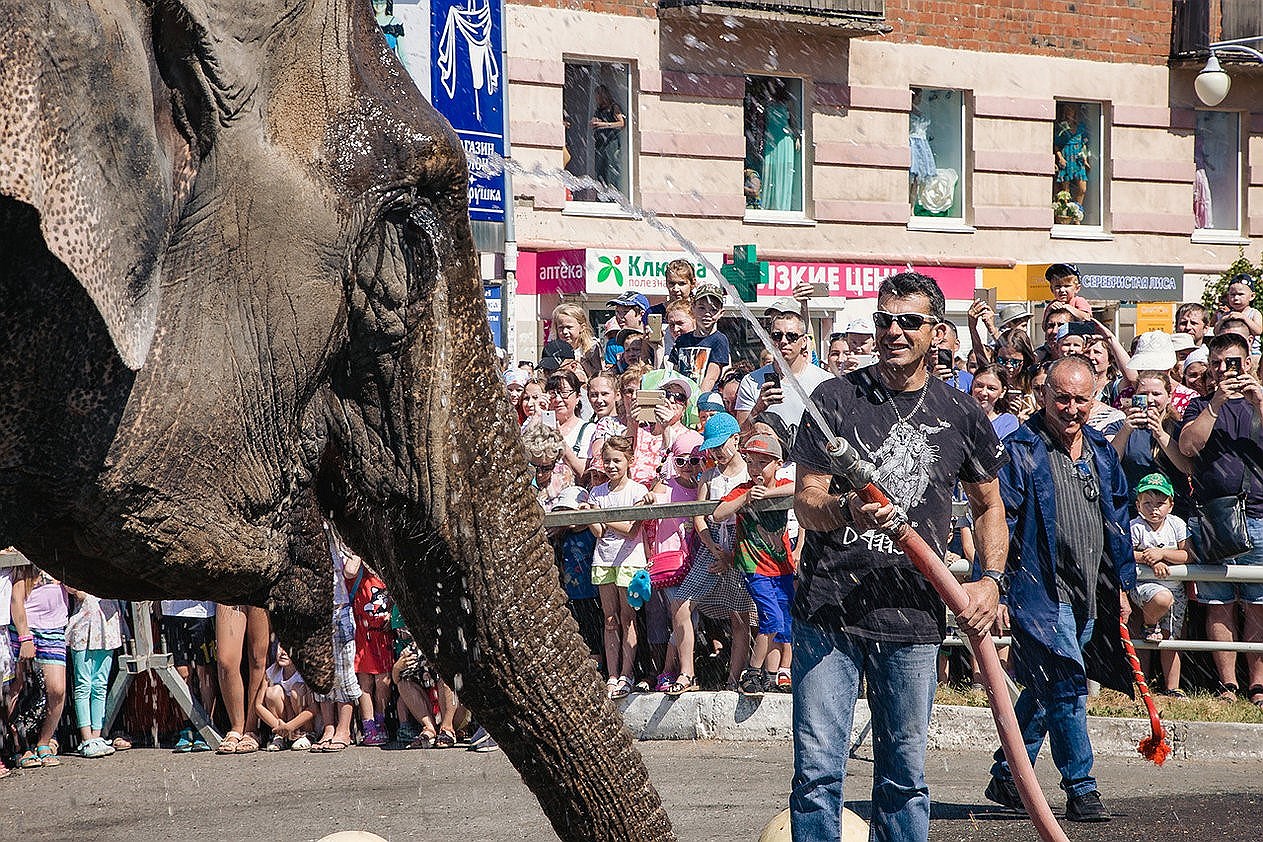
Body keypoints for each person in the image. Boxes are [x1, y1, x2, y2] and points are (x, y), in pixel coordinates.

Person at [788, 271, 1009, 841]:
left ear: (936, 331)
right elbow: (807, 502)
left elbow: (990, 508)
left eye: (909, 321)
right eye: (884, 320)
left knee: (904, 778)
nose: (893, 331)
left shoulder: (960, 413)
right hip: (829, 608)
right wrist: (846, 510)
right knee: (817, 774)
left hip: (913, 613)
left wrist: (989, 581)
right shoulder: (834, 398)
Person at [986, 354, 1136, 824]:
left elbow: (1118, 523)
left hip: (1091, 591)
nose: (1071, 409)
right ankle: (1081, 787)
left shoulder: (1101, 451)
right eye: (1062, 399)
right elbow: (1000, 522)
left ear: (1095, 400)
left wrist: (1123, 588)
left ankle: (1010, 778)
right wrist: (998, 588)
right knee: (1069, 685)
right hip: (1039, 592)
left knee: (1046, 685)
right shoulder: (1019, 449)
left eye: (1081, 400)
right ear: (1042, 395)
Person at [1178, 332, 1263, 706]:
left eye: (1231, 362)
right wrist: (1215, 403)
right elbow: (1188, 447)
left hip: (1259, 516)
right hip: (1216, 518)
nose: (1223, 370)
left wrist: (1257, 398)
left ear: (1247, 363)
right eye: (1216, 364)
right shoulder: (1200, 406)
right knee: (1219, 603)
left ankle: (1257, 686)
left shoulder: (1258, 402)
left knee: (1259, 603)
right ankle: (1228, 685)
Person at [666, 412, 753, 696]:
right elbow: (699, 516)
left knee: (739, 617)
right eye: (712, 447)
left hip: (742, 543)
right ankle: (686, 673)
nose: (716, 451)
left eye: (720, 445)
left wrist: (731, 553)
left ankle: (734, 679)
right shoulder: (708, 475)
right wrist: (711, 544)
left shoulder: (749, 472)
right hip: (712, 543)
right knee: (680, 603)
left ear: (736, 440)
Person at [710, 432, 795, 697]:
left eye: (763, 462)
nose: (756, 468)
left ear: (777, 464)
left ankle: (772, 674)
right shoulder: (744, 490)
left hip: (782, 566)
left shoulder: (781, 484)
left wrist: (768, 494)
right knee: (770, 618)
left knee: (784, 623)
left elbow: (798, 489)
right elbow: (717, 514)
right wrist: (746, 500)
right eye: (752, 461)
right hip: (754, 566)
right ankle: (753, 671)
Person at [586, 435, 651, 699]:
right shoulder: (597, 493)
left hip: (629, 561)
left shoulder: (637, 492)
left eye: (617, 460)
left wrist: (599, 514)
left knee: (629, 618)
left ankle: (627, 672)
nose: (611, 466)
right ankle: (612, 674)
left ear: (629, 461)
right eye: (607, 461)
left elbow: (631, 530)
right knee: (610, 620)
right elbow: (599, 532)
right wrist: (590, 513)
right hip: (604, 560)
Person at [1128, 473, 1190, 696]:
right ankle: (1140, 686)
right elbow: (1124, 553)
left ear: (1171, 505)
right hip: (1146, 588)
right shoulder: (1135, 527)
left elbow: (1187, 554)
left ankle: (1172, 688)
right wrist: (1148, 558)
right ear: (1138, 505)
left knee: (1171, 638)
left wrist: (1162, 554)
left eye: (1160, 503)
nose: (1154, 509)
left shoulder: (1177, 525)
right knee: (1161, 600)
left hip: (1176, 589)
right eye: (1147, 503)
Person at [734, 308, 832, 445]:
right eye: (777, 336)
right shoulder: (751, 381)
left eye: (791, 336)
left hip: (810, 462)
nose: (784, 341)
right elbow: (741, 436)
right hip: (768, 462)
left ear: (804, 341)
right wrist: (758, 408)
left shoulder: (824, 380)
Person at [10, 566, 69, 769]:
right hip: (27, 628)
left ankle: (44, 741)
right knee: (16, 688)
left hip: (54, 628)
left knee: (57, 690)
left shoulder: (57, 556)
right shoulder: (25, 561)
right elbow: (16, 599)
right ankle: (19, 747)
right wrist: (24, 637)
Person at [311, 525, 363, 754]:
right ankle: (329, 727)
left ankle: (344, 729)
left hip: (339, 610)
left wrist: (355, 551)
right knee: (320, 674)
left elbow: (351, 570)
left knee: (343, 673)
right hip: (317, 612)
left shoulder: (337, 538)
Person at [65, 589, 124, 758]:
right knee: (83, 685)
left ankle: (97, 736)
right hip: (83, 627)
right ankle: (86, 738)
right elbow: (75, 591)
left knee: (100, 684)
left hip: (107, 626)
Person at [345, 554, 394, 746]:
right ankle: (369, 726)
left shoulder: (386, 569)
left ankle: (381, 721)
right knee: (364, 683)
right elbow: (349, 571)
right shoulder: (358, 570)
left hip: (384, 634)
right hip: (363, 635)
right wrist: (359, 552)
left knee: (383, 681)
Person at [160, 599, 217, 752]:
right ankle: (188, 728)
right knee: (182, 673)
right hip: (171, 611)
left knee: (203, 671)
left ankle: (206, 725)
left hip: (201, 611)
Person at [669, 282, 731, 391]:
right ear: (693, 308)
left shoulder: (719, 340)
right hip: (683, 398)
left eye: (713, 310)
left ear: (721, 313)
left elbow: (711, 378)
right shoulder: (682, 340)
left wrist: (696, 402)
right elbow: (674, 372)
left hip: (705, 399)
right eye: (702, 308)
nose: (707, 314)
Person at [255, 644, 316, 751]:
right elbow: (258, 705)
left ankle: (307, 734)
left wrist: (291, 726)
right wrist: (279, 726)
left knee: (297, 689)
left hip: (303, 721)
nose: (283, 652)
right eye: (281, 647)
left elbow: (313, 708)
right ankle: (281, 736)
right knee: (272, 692)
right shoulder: (272, 672)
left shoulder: (305, 672)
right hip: (284, 721)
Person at [970, 364, 1020, 439]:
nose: (983, 393)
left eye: (991, 388)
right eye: (979, 385)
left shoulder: (1008, 422)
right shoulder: (960, 415)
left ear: (1002, 392)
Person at [590, 84, 625, 190]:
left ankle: (613, 195)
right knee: (600, 169)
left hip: (610, 142)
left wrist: (606, 124)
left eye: (597, 96)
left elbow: (621, 124)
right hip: (600, 143)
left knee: (611, 168)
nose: (596, 99)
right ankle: (602, 195)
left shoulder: (614, 107)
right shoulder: (599, 109)